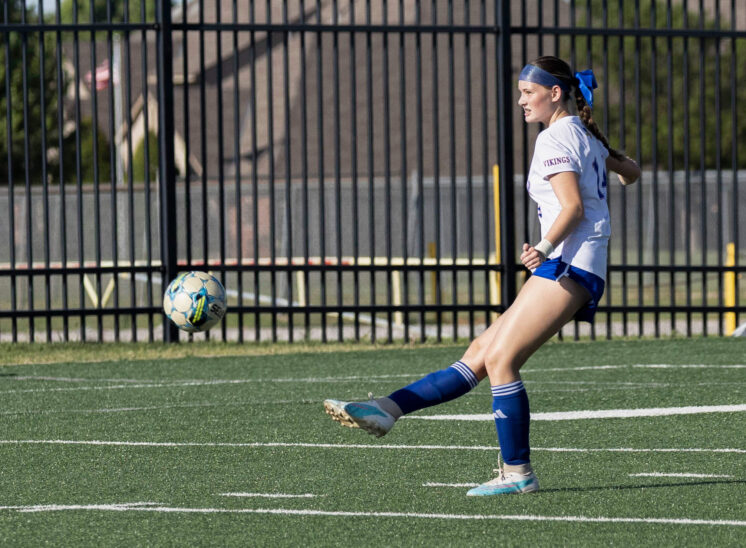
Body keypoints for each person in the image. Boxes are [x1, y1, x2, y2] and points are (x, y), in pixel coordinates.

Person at [323, 56, 641, 496]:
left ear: (555, 94)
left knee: (502, 361)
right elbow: (632, 172)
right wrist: (610, 174)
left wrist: (543, 247)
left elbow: (572, 207)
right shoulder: (583, 133)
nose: (521, 100)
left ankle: (518, 472)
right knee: (481, 351)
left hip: (569, 264)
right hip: (577, 264)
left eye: (528, 93)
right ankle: (387, 409)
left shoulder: (554, 139)